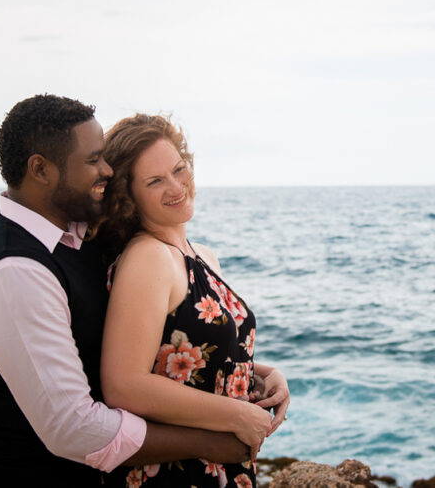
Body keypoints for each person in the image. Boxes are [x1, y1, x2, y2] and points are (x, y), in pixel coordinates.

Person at [0, 95, 249, 488]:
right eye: (93, 160)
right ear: (40, 169)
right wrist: (212, 442)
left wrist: (251, 375)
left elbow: (156, 343)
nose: (107, 170)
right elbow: (73, 428)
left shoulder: (75, 239)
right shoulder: (15, 271)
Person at [96, 113, 290, 488]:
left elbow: (195, 359)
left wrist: (265, 375)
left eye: (179, 169)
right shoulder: (147, 258)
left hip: (218, 467)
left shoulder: (199, 254)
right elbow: (123, 384)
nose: (175, 186)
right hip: (174, 472)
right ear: (129, 197)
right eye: (155, 181)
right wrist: (235, 417)